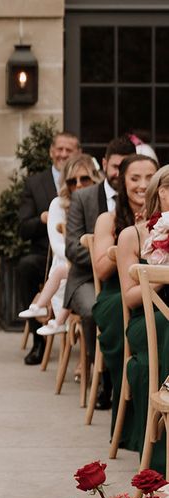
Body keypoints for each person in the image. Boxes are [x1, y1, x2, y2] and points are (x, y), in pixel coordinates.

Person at [92, 154, 159, 428]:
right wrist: (129, 238)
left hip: (155, 294)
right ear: (123, 182)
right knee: (128, 315)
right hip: (116, 294)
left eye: (149, 178)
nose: (142, 185)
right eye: (135, 178)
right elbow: (100, 270)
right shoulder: (109, 219)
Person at [115, 162, 169, 470]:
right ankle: (160, 464)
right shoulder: (132, 236)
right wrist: (161, 273)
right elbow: (131, 297)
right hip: (144, 321)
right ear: (161, 194)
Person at [64, 136, 138, 348]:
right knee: (91, 308)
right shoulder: (83, 198)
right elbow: (72, 247)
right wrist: (106, 257)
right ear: (104, 164)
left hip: (129, 278)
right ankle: (97, 367)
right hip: (86, 277)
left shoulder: (141, 197)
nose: (119, 173)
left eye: (125, 167)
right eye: (116, 166)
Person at [19, 154, 101, 337]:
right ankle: (46, 312)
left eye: (84, 179)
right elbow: (58, 246)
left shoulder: (101, 203)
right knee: (67, 274)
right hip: (71, 262)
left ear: (94, 178)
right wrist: (87, 258)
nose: (79, 185)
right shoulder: (58, 204)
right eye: (72, 181)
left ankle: (54, 319)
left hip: (94, 264)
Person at [17, 131, 80, 364]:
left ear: (78, 153)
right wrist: (43, 219)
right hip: (44, 252)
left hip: (74, 251)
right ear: (51, 151)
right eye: (59, 149)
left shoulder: (84, 179)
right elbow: (23, 228)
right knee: (25, 267)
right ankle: (38, 341)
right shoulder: (34, 183)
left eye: (69, 150)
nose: (63, 154)